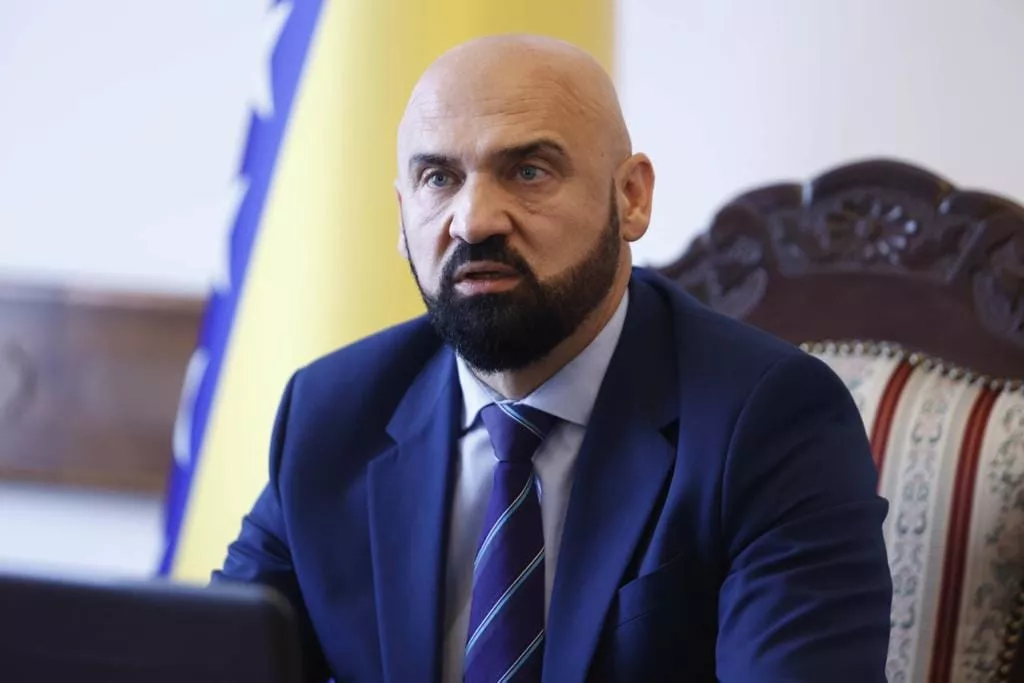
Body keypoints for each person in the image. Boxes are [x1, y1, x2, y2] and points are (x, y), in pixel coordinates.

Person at [213, 34, 893, 682]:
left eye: (528, 171)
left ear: (631, 197)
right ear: (402, 214)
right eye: (438, 178)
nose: (473, 220)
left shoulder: (770, 420)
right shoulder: (333, 414)